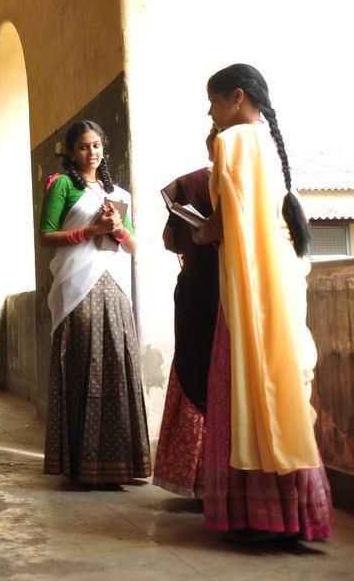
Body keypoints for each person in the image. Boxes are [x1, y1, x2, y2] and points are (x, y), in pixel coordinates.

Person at [193, 63, 332, 541]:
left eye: (213, 101)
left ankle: (255, 516)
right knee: (280, 387)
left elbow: (229, 222)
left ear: (236, 96)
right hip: (279, 284)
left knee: (245, 387)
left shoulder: (234, 142)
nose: (210, 112)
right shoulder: (269, 144)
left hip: (248, 287)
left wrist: (203, 231)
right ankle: (291, 514)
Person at [39, 120, 151, 487]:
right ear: (72, 152)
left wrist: (116, 228)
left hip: (115, 286)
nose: (92, 153)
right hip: (77, 287)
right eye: (84, 147)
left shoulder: (117, 194)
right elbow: (46, 236)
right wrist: (90, 231)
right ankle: (81, 463)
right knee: (82, 361)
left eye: (97, 146)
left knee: (119, 360)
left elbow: (132, 245)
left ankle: (121, 462)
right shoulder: (62, 185)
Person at [152, 126, 220, 498]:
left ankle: (195, 475)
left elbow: (170, 241)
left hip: (198, 290)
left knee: (196, 371)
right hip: (238, 292)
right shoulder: (256, 178)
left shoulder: (191, 184)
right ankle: (230, 480)